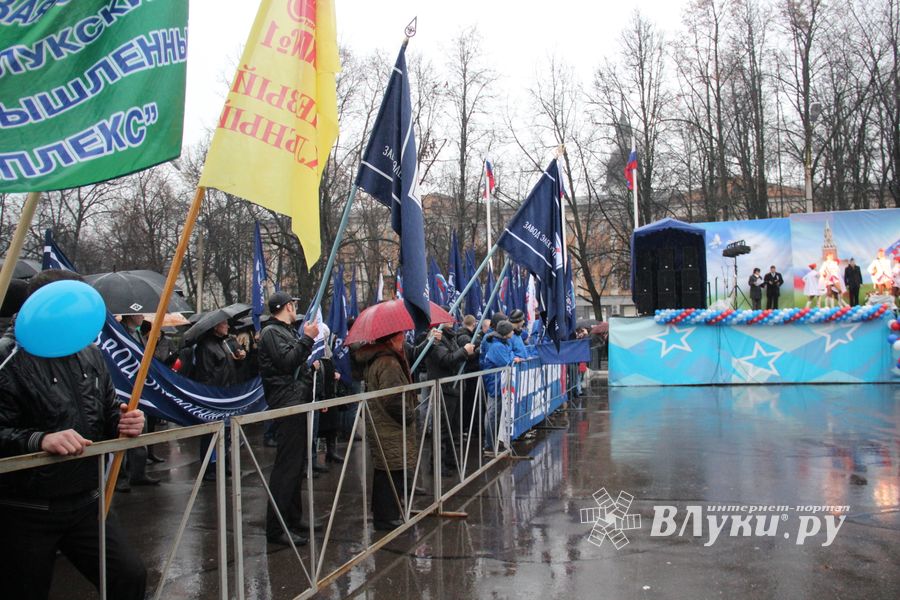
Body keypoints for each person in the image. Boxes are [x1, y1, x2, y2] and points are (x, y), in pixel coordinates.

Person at [0, 269, 147, 600]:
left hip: (85, 503)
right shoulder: (7, 357)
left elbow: (107, 411)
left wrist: (126, 421)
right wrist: (39, 441)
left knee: (129, 576)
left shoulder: (89, 353)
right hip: (25, 510)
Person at [258, 291, 318, 546]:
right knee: (287, 467)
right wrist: (307, 339)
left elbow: (295, 364)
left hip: (296, 399)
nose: (296, 308)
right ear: (285, 307)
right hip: (286, 403)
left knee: (297, 464)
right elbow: (286, 362)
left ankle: (293, 517)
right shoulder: (272, 332)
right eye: (293, 304)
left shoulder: (286, 331)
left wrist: (310, 367)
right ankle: (277, 527)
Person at [355, 331, 417, 531]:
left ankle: (387, 513)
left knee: (386, 469)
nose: (404, 339)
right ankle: (386, 517)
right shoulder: (387, 362)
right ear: (391, 339)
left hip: (383, 422)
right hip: (390, 424)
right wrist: (408, 416)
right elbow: (392, 399)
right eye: (401, 335)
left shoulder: (381, 358)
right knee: (391, 470)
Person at [425, 324, 475, 476]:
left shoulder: (450, 337)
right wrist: (464, 351)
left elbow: (456, 357)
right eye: (447, 318)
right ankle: (437, 465)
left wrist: (470, 351)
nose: (451, 321)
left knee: (454, 429)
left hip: (454, 388)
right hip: (444, 388)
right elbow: (446, 360)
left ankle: (451, 462)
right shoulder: (435, 340)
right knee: (442, 430)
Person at [480, 320, 521, 451]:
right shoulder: (497, 346)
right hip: (495, 383)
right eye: (511, 330)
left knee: (496, 413)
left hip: (500, 382)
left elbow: (511, 354)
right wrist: (513, 358)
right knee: (493, 414)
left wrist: (512, 357)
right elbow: (507, 362)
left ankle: (494, 442)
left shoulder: (502, 343)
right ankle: (490, 445)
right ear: (505, 333)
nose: (513, 332)